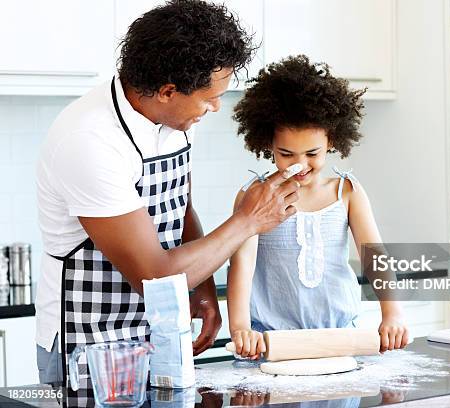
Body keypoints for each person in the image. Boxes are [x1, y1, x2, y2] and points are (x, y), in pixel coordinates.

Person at [35, 0, 300, 389]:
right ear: (167, 90)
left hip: (159, 334)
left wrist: (204, 291)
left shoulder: (175, 117)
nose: (215, 108)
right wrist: (248, 220)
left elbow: (180, 206)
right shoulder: (90, 141)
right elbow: (155, 277)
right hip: (90, 343)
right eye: (210, 98)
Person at [227, 55, 409, 359]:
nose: (300, 164)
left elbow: (374, 255)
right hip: (272, 344)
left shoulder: (346, 191)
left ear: (332, 142)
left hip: (340, 338)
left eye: (312, 153)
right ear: (268, 144)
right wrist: (240, 327)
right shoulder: (254, 196)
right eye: (286, 154)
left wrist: (392, 313)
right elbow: (242, 265)